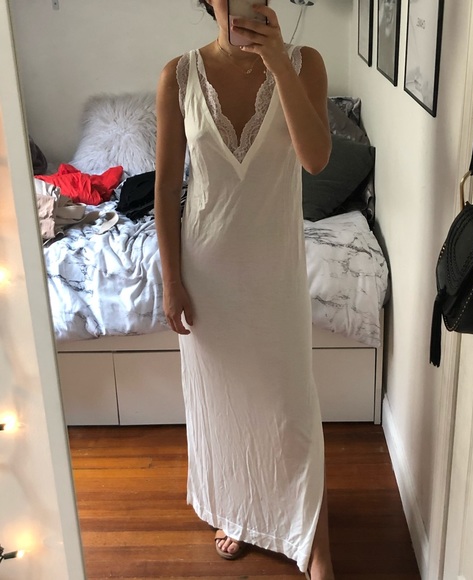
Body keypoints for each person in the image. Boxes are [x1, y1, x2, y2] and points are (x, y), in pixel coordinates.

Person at [154, 1, 334, 578]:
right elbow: (166, 187)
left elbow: (316, 159)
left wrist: (278, 62)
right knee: (226, 405)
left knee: (291, 407)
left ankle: (316, 541)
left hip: (274, 274)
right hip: (207, 275)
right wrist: (172, 281)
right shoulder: (178, 75)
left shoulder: (305, 63)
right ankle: (237, 509)